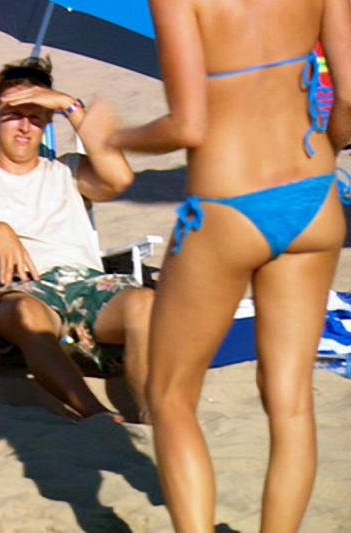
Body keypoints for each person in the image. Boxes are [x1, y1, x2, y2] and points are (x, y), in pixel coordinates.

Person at [109, 0, 351, 529]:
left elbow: (187, 125)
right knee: (291, 403)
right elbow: (349, 97)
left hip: (229, 204)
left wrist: (117, 136)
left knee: (170, 394)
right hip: (313, 195)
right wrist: (325, 153)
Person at [0, 57, 155, 423]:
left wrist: (69, 106)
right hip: (21, 294)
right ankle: (97, 416)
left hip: (85, 287)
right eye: (14, 114)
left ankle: (154, 417)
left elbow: (120, 179)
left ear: (47, 122)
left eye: (36, 116)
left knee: (144, 303)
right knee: (28, 314)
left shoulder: (69, 171)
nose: (25, 127)